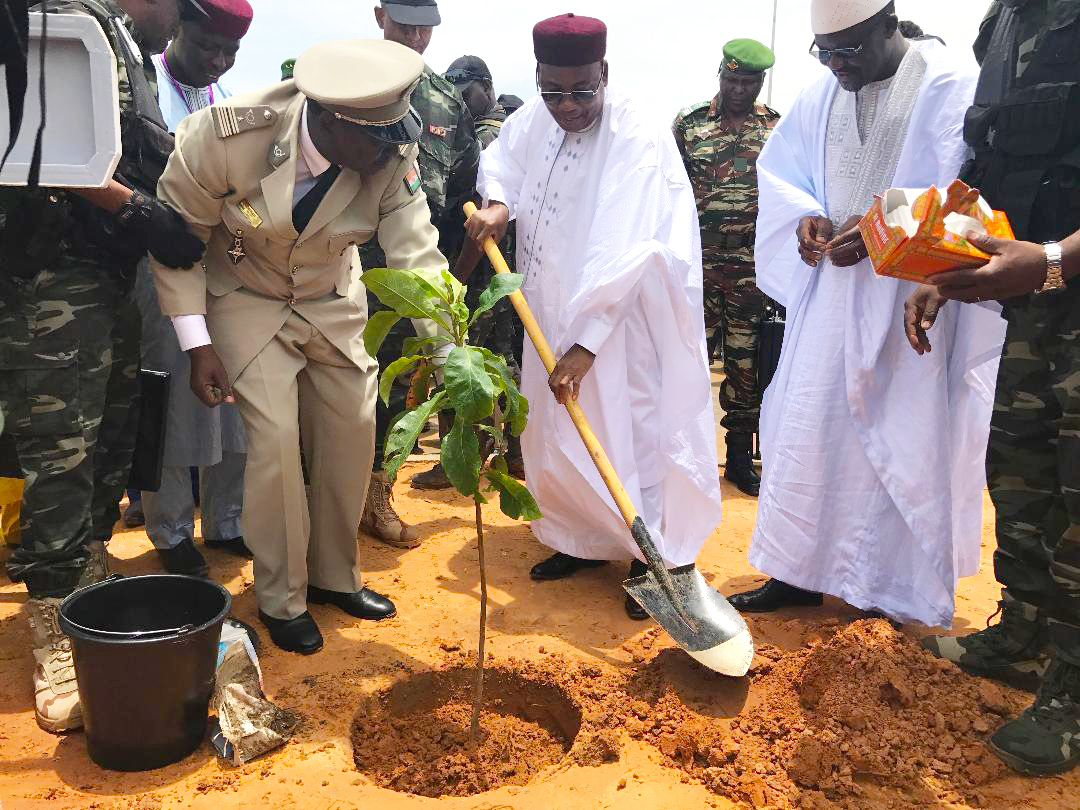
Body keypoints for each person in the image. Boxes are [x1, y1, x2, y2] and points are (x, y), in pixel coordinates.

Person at [151, 39, 448, 654]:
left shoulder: (389, 149)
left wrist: (453, 354)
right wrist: (196, 341)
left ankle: (335, 577)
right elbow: (178, 235)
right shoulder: (229, 136)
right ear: (333, 122)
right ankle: (281, 597)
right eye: (379, 141)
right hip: (244, 295)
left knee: (352, 425)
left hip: (330, 297)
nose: (394, 151)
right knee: (276, 444)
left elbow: (416, 253)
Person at [727, 0, 1005, 627]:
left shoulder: (948, 84)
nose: (836, 66)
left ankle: (889, 592)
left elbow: (973, 190)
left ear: (889, 25)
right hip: (827, 298)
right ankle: (796, 573)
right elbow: (782, 174)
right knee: (807, 433)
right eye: (824, 53)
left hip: (912, 302)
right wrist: (806, 218)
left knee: (895, 447)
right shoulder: (819, 91)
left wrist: (883, 225)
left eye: (848, 51)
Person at [465, 13, 724, 620]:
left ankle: (648, 555)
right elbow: (504, 164)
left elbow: (627, 241)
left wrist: (588, 342)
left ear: (604, 73)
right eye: (553, 91)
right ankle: (578, 538)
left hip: (621, 320)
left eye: (582, 91)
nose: (567, 106)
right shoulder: (534, 119)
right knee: (555, 434)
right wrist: (499, 207)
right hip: (547, 309)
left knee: (629, 427)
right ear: (538, 79)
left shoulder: (635, 130)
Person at [0, 0, 202, 733]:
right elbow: (32, 136)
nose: (176, 21)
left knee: (112, 437)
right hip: (50, 274)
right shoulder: (46, 17)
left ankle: (84, 573)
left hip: (105, 274)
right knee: (63, 451)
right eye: (174, 8)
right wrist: (131, 208)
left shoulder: (127, 48)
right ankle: (53, 629)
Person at [912, 0, 1080, 776]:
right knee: (1021, 475)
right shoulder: (1005, 23)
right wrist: (944, 272)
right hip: (1037, 301)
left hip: (1056, 275)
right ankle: (1027, 636)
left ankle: (1073, 696)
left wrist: (1051, 257)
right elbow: (986, 169)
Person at [133, 0, 253, 578]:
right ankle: (170, 529)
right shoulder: (143, 80)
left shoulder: (225, 101)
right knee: (173, 394)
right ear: (179, 27)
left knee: (231, 396)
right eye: (208, 46)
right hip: (158, 261)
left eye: (229, 52)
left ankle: (227, 520)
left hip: (220, 268)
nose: (218, 60)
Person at [360, 0, 481, 546]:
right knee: (327, 389)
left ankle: (374, 496)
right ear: (379, 13)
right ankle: (315, 501)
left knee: (395, 388)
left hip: (409, 272)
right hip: (339, 270)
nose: (413, 36)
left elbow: (460, 198)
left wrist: (448, 282)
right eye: (403, 23)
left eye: (424, 28)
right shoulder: (344, 77)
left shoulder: (446, 102)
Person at [410, 54, 525, 490]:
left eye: (464, 91)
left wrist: (455, 278)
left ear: (485, 86)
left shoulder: (487, 139)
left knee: (459, 359)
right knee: (502, 359)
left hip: (477, 272)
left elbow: (478, 224)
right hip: (501, 274)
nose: (457, 101)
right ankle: (514, 455)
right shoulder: (501, 133)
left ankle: (460, 458)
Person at [673, 39, 780, 497]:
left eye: (747, 82)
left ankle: (738, 457)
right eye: (731, 79)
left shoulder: (774, 128)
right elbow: (668, 189)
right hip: (697, 264)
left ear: (759, 82)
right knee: (687, 359)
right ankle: (680, 457)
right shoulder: (690, 124)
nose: (738, 89)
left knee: (744, 363)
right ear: (720, 75)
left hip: (749, 267)